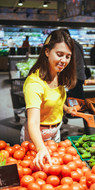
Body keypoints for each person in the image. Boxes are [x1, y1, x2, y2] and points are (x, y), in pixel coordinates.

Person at [20, 29, 77, 170]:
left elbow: (53, 98)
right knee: (35, 175)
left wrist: (66, 108)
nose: (64, 61)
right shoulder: (34, 83)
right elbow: (33, 121)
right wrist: (40, 148)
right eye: (59, 54)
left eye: (68, 56)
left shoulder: (59, 75)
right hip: (36, 136)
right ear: (47, 52)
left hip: (55, 132)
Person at [62, 29, 86, 100]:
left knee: (75, 99)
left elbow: (70, 62)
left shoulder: (71, 46)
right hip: (80, 75)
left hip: (75, 76)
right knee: (78, 97)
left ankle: (79, 109)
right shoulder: (78, 44)